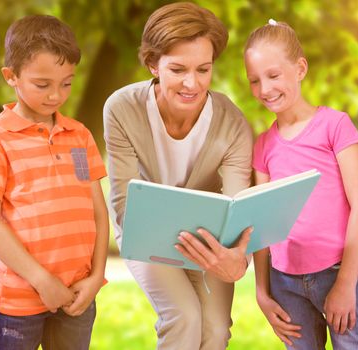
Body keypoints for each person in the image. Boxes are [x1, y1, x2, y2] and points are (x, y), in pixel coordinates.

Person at [103, 2, 253, 349]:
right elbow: (124, 203)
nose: (192, 83)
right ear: (153, 64)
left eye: (203, 69)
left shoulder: (232, 124)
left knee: (215, 331)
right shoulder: (122, 108)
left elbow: (238, 205)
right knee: (184, 316)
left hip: (208, 241)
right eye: (178, 69)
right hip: (146, 233)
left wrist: (238, 260)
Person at [0, 15, 109, 350]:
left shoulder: (79, 136)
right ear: (11, 76)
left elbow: (98, 213)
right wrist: (42, 281)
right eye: (42, 84)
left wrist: (95, 278)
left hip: (77, 296)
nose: (55, 95)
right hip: (19, 301)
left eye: (67, 83)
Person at [244, 19, 358, 349]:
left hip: (338, 272)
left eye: (273, 75)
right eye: (254, 80)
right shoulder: (263, 145)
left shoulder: (335, 126)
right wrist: (262, 293)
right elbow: (262, 223)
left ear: (300, 68)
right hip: (284, 283)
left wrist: (346, 284)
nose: (265, 89)